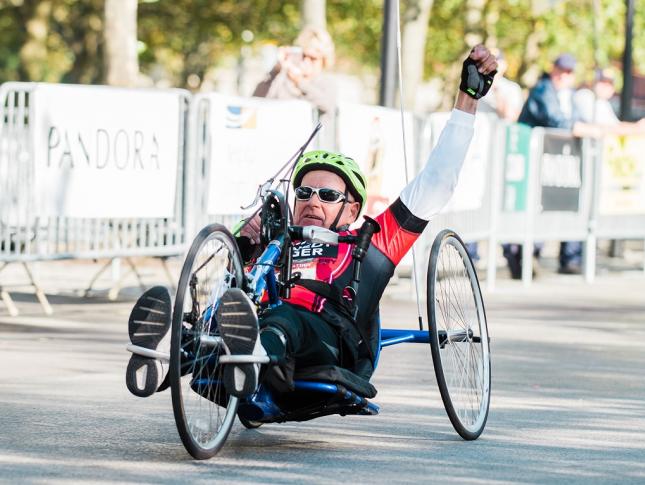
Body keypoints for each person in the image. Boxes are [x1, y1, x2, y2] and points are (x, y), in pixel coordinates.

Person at [125, 45, 498, 400]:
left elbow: (437, 181)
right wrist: (243, 242)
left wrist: (468, 99)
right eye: (303, 193)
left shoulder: (371, 244)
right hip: (255, 330)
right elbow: (233, 286)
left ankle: (250, 355)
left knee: (284, 318)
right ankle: (159, 361)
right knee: (223, 322)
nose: (312, 201)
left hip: (328, 342)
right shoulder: (276, 243)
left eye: (328, 195)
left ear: (352, 209)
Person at [505, 53, 592, 278]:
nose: (565, 75)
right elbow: (555, 121)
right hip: (529, 159)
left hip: (551, 163)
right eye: (562, 70)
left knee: (546, 208)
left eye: (569, 71)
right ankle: (518, 254)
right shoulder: (543, 90)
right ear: (554, 69)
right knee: (526, 208)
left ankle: (530, 255)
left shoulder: (569, 96)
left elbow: (578, 120)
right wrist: (578, 127)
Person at [253, 26, 338, 146]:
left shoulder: (327, 83)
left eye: (313, 58)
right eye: (304, 56)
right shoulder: (282, 80)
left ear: (324, 60)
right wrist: (276, 70)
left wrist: (300, 83)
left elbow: (326, 105)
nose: (307, 61)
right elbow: (256, 100)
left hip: (311, 155)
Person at [574, 68, 645, 134]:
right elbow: (602, 126)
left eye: (609, 83)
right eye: (603, 82)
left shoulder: (603, 103)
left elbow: (615, 125)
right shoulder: (585, 95)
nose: (606, 86)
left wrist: (637, 126)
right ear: (594, 82)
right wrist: (635, 128)